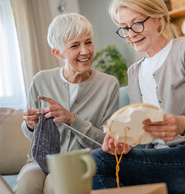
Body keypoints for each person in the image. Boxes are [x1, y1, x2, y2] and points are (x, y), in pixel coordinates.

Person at [92, 0, 185, 194]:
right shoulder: (134, 72)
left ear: (159, 18)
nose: (131, 34)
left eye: (137, 23)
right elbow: (141, 132)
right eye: (124, 28)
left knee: (97, 162)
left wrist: (180, 124)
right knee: (97, 162)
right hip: (162, 160)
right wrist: (124, 142)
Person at [14, 13, 119, 194]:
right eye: (74, 45)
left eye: (88, 42)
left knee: (57, 184)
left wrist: (72, 119)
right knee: (27, 185)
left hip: (80, 160)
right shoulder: (41, 80)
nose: (85, 51)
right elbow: (32, 135)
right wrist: (31, 126)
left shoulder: (108, 84)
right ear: (58, 52)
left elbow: (106, 141)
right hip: (40, 161)